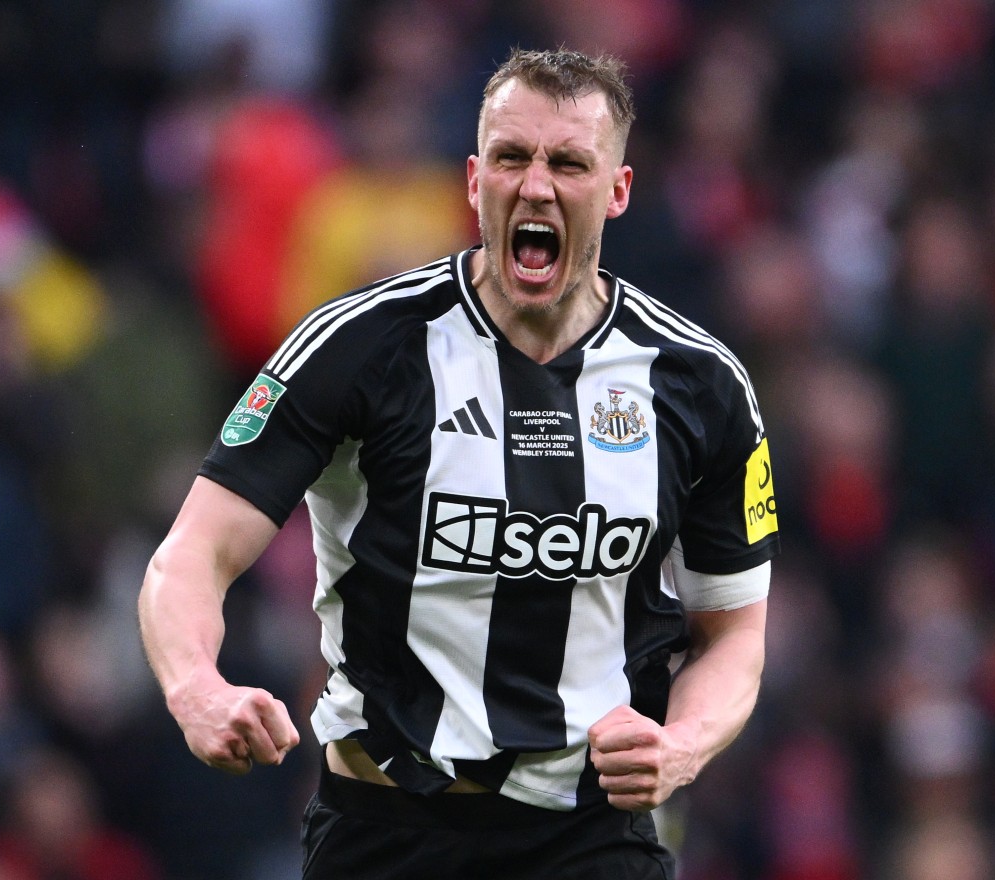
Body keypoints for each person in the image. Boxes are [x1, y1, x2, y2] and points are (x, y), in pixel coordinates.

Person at [138, 47, 780, 879]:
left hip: (592, 837)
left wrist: (684, 745)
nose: (536, 185)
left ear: (616, 191)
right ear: (474, 181)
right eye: (512, 157)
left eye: (569, 163)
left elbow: (734, 633)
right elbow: (191, 555)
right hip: (388, 831)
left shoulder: (699, 384)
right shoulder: (358, 348)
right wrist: (198, 690)